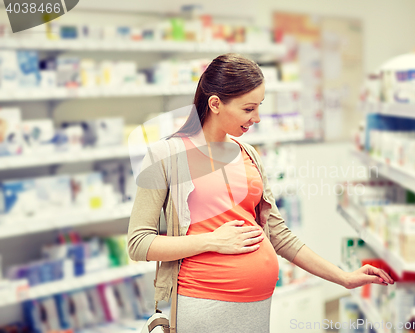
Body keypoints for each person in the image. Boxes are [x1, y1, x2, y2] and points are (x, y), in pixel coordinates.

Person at [127, 53, 393, 333]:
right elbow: (139, 243)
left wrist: (344, 278)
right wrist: (212, 241)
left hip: (258, 305)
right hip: (206, 304)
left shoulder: (249, 153)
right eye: (248, 109)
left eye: (259, 107)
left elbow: (279, 234)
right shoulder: (166, 156)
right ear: (215, 104)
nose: (257, 118)